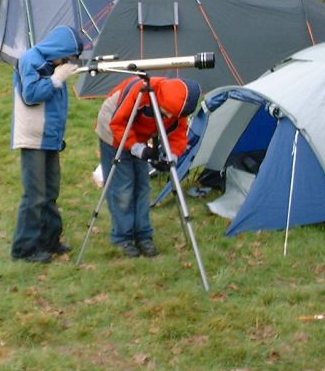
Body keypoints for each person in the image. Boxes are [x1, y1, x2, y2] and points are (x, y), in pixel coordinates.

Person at [95, 76, 201, 258]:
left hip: (140, 134)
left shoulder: (178, 109)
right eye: (165, 113)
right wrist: (137, 148)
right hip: (113, 130)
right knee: (123, 188)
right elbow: (118, 123)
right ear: (159, 100)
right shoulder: (140, 93)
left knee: (143, 186)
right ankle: (123, 237)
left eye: (171, 115)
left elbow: (178, 135)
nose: (168, 117)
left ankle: (144, 235)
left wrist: (170, 157)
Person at [11, 25, 84, 263]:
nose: (67, 61)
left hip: (50, 137)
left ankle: (49, 241)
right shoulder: (29, 59)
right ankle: (24, 249)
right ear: (59, 49)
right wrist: (55, 80)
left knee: (51, 192)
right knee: (35, 195)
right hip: (33, 137)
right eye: (68, 56)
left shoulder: (53, 64)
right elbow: (30, 95)